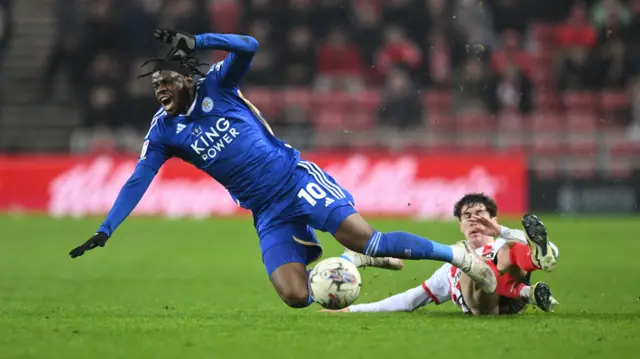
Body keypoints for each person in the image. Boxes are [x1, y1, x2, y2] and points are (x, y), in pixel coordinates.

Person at [68, 29, 497, 308]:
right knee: (295, 296)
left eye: (167, 81)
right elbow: (138, 179)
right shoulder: (163, 131)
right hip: (265, 210)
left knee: (370, 238)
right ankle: (354, 264)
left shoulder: (218, 85)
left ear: (187, 80)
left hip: (294, 180)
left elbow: (249, 45)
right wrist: (107, 229)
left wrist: (197, 41)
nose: (160, 89)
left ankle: (456, 256)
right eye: (155, 85)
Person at [323, 194, 559, 315]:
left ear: (493, 220)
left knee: (510, 249)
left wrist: (500, 232)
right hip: (485, 305)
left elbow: (554, 253)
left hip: (512, 294)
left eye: (481, 215)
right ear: (459, 225)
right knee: (472, 265)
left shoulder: (506, 241)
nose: (475, 220)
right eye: (467, 216)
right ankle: (527, 292)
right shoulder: (452, 264)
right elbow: (409, 300)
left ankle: (532, 272)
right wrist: (354, 309)